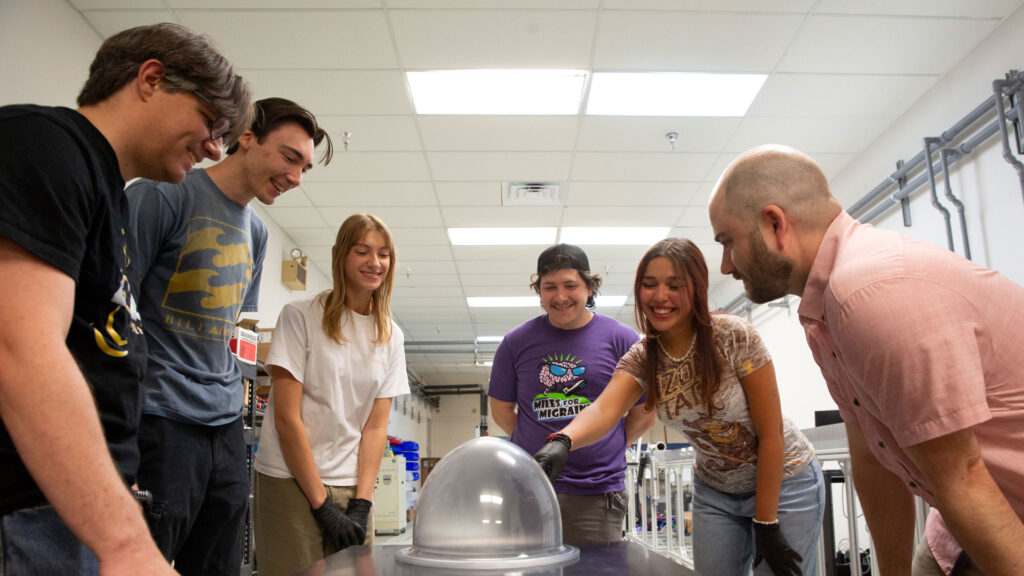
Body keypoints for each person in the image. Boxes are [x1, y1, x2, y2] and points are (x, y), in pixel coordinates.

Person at [0, 23, 250, 575]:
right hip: (29, 513)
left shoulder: (109, 197)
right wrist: (125, 542)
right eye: (210, 123)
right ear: (152, 79)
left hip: (76, 512)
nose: (213, 148)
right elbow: (19, 349)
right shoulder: (46, 145)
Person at [707, 144, 1024, 576]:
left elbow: (963, 476)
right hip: (961, 521)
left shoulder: (868, 291)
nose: (726, 265)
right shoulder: (824, 310)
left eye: (728, 241)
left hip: (997, 513)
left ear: (775, 223)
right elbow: (873, 455)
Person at [126, 97, 333, 574]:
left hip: (223, 427)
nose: (297, 178)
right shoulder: (161, 196)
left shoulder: (257, 233)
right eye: (289, 157)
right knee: (143, 559)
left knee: (219, 564)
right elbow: (116, 306)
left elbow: (232, 328)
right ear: (246, 137)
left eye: (304, 167)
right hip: (160, 417)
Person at [534, 238, 823, 575]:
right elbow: (603, 410)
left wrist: (767, 522)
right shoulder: (643, 357)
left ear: (696, 288)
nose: (660, 296)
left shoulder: (732, 336)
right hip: (716, 491)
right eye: (649, 284)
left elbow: (771, 433)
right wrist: (562, 441)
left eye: (675, 285)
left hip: (785, 480)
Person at [254, 213, 409, 576]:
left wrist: (363, 501)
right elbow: (287, 417)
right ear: (341, 254)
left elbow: (375, 428)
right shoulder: (300, 316)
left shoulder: (391, 335)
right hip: (290, 479)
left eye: (384, 254)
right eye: (362, 251)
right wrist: (321, 505)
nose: (375, 263)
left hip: (353, 483)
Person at [488, 243, 655, 547]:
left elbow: (645, 410)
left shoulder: (622, 340)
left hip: (596, 491)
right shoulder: (515, 343)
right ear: (539, 291)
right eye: (549, 287)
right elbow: (500, 409)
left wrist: (611, 439)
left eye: (570, 285)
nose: (560, 296)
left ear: (590, 287)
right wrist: (532, 440)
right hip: (532, 488)